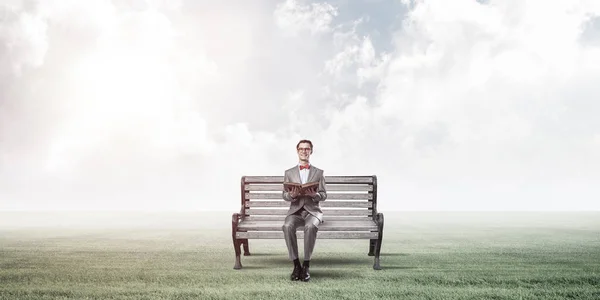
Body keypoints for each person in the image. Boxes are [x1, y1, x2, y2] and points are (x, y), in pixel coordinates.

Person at [282, 139, 327, 282]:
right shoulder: (288, 172)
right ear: (297, 151)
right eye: (301, 149)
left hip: (312, 211)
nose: (304, 151)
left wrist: (316, 195)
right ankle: (296, 265)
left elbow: (324, 195)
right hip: (295, 211)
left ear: (311, 151)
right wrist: (291, 195)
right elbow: (284, 195)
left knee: (311, 226)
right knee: (287, 226)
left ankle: (306, 265)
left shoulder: (319, 173)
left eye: (307, 149)